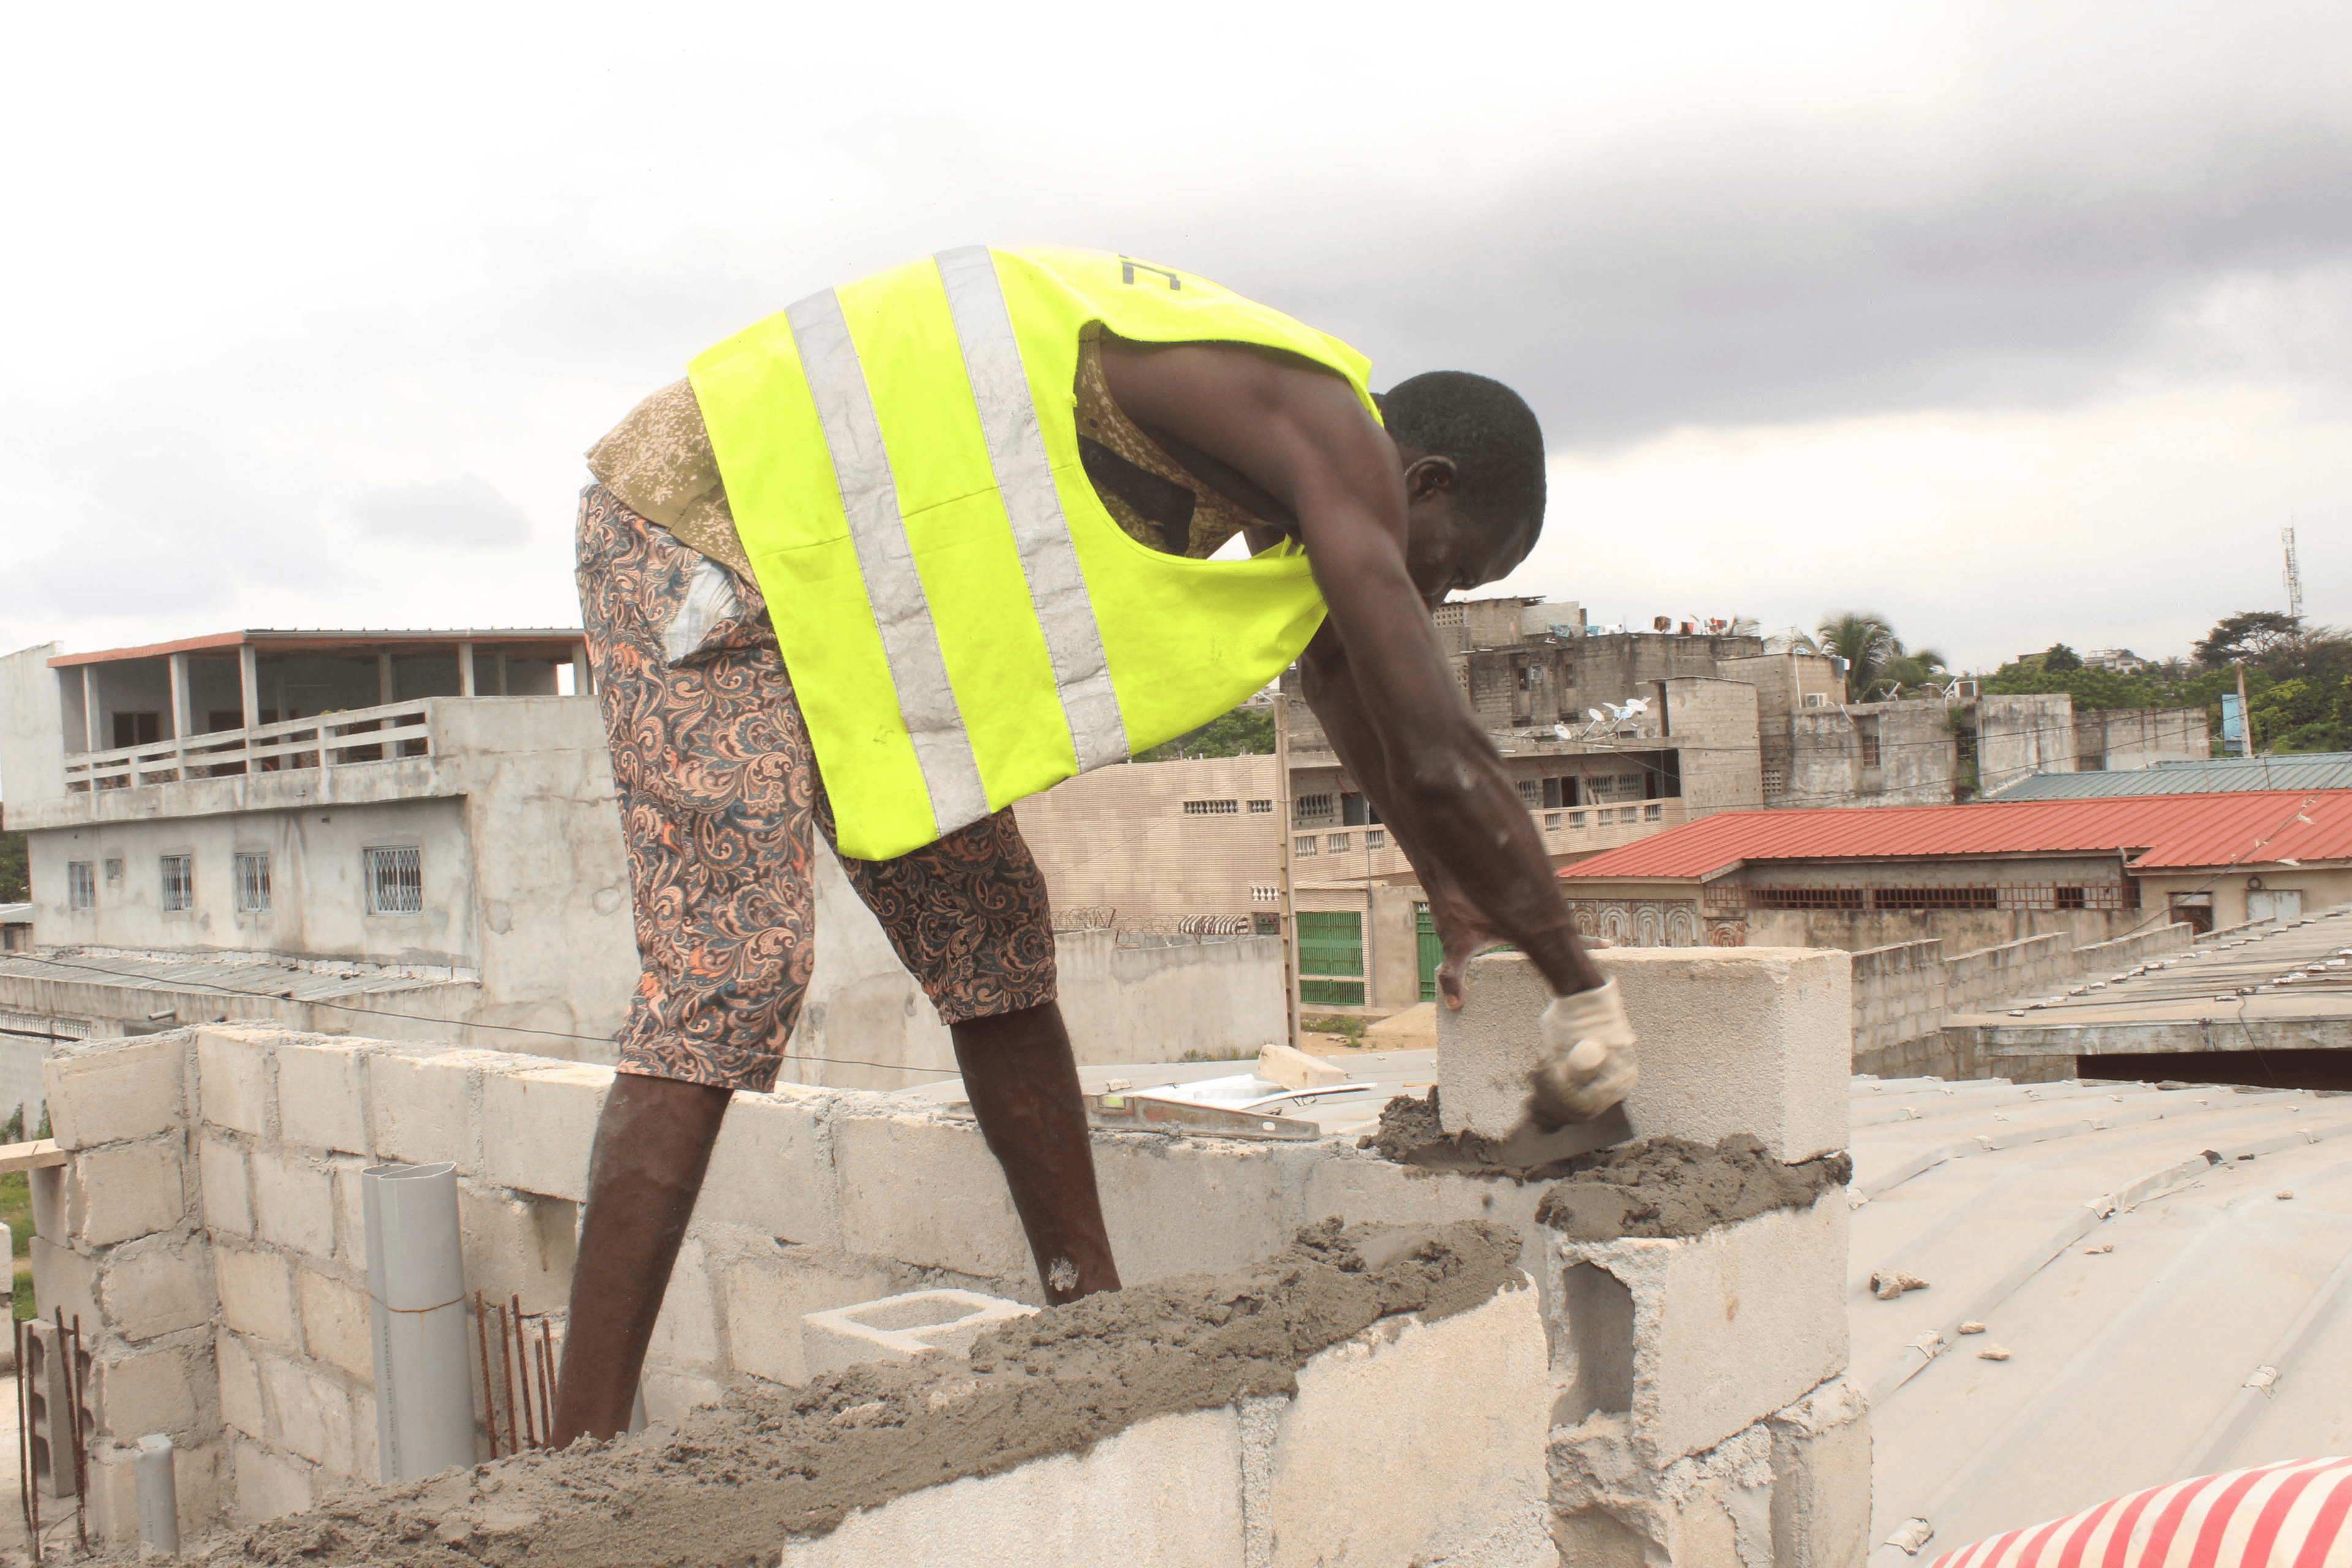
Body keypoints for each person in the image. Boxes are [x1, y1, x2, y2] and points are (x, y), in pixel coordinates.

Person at [549, 245, 1635, 1444]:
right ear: (1420, 481)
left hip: (844, 597)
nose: (1433, 600)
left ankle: (1090, 1323)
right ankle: (578, 1454)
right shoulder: (1314, 425)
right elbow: (1435, 741)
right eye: (1456, 569)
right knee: (733, 968)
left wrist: (1456, 895)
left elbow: (1359, 702)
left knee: (995, 937)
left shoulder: (1293, 489)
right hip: (702, 527)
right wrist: (1580, 987)